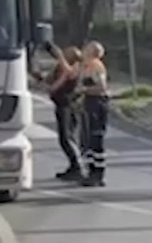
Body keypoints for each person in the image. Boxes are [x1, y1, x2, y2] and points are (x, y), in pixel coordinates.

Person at [41, 42, 84, 180]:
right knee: (63, 138)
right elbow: (49, 83)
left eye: (67, 53)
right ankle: (73, 166)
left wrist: (59, 56)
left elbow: (69, 74)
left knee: (67, 137)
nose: (64, 55)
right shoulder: (60, 69)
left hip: (68, 105)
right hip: (60, 104)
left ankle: (77, 166)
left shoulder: (75, 68)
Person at [75, 41, 110, 187]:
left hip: (96, 103)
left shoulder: (96, 66)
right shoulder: (86, 66)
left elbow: (101, 87)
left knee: (95, 138)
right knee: (87, 139)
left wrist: (83, 90)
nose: (83, 50)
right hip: (89, 103)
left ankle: (97, 174)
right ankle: (90, 171)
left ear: (93, 52)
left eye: (87, 49)